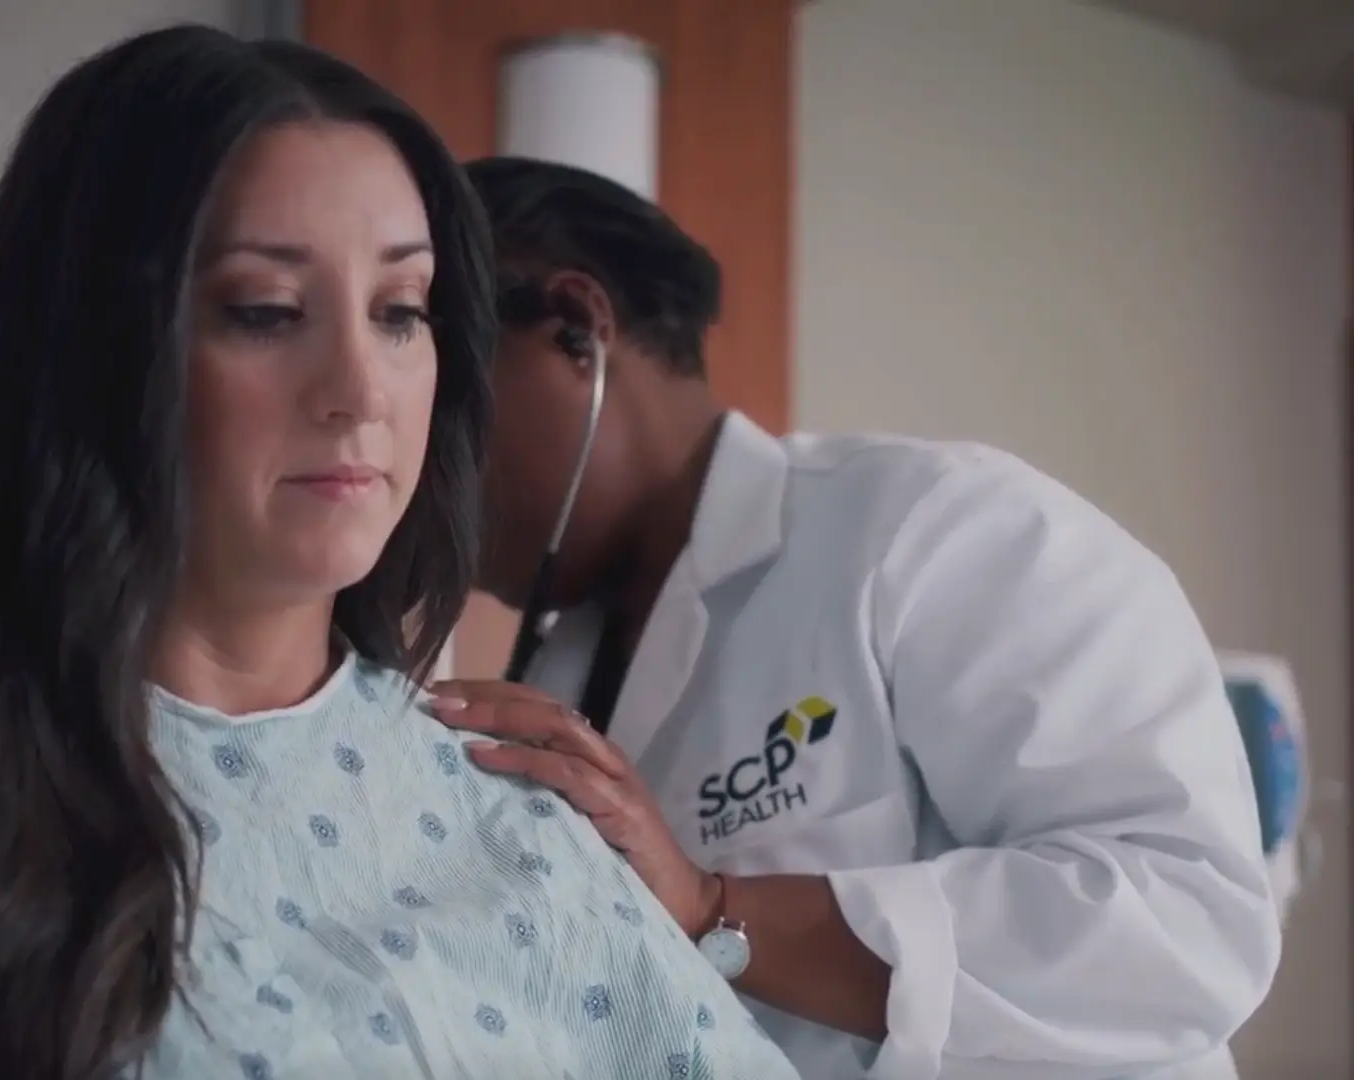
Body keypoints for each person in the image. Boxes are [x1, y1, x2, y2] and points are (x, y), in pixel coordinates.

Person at [0, 28, 801, 1080]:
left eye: (403, 312)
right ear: (96, 350)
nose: (361, 387)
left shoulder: (522, 825)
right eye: (265, 311)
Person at [430, 156, 1282, 1080]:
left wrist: (721, 911)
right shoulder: (554, 683)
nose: (419, 470)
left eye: (444, 406)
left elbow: (1188, 926)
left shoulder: (929, 531)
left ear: (574, 327)